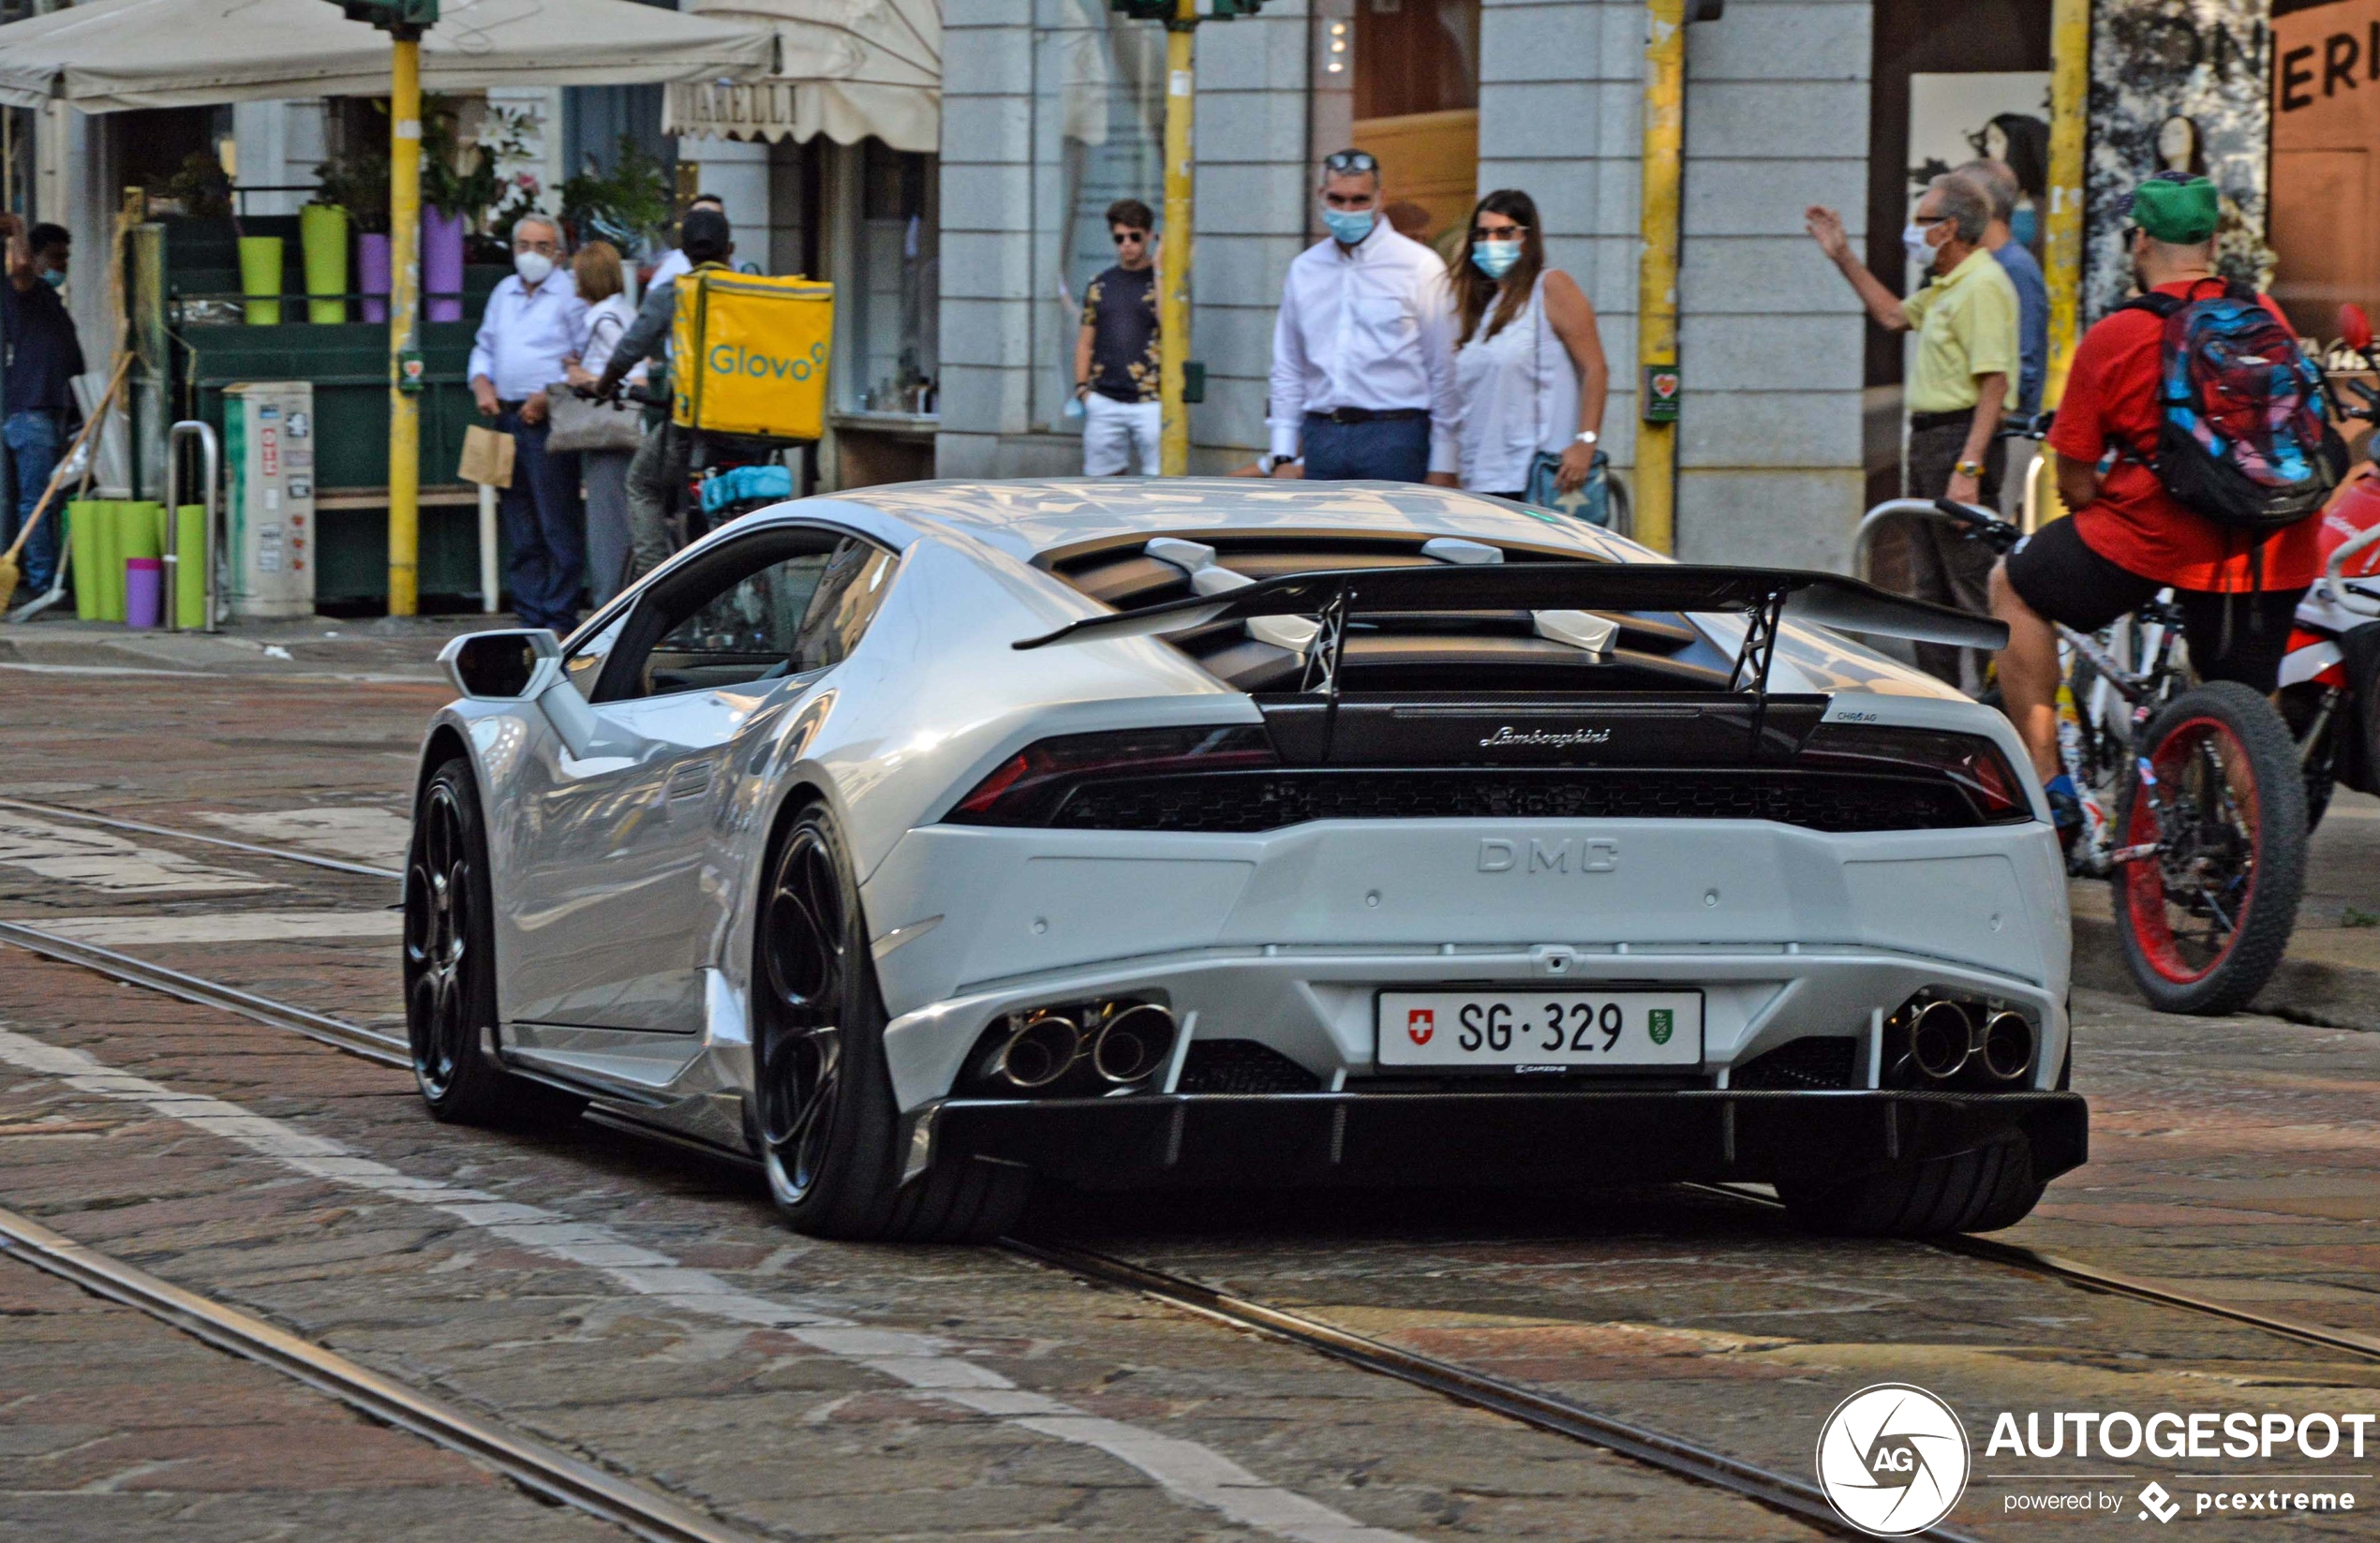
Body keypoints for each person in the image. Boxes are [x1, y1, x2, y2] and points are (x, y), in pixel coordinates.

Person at [1991, 173, 2323, 831]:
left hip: (2153, 540)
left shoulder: (2118, 333)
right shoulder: (2266, 316)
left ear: (2139, 240)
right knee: (2245, 703)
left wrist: (2093, 497)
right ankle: (2264, 866)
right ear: (2214, 242)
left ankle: (2049, 783)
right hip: (2275, 543)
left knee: (2014, 586)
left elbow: (2076, 473)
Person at [1806, 174, 2019, 686]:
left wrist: (1969, 467)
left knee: (1971, 588)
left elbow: (1994, 382)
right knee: (1930, 591)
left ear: (1948, 229)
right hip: (1929, 443)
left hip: (1959, 441)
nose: (1911, 232)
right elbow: (1892, 314)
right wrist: (1842, 255)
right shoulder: (1947, 285)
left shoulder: (1983, 285)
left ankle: (2000, 703)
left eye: (1920, 221)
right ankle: (1943, 702)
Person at [1264, 149, 1460, 485]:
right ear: (1321, 197)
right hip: (1322, 436)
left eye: (1359, 200)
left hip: (1396, 436)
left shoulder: (1419, 266)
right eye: (1337, 199)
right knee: (1320, 537)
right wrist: (1282, 454)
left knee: (1395, 537)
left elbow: (1445, 369)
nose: (1348, 210)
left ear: (1380, 199)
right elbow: (1288, 367)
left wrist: (1444, 463)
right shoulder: (1304, 269)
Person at [593, 207, 734, 582]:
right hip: (754, 430)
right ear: (729, 250)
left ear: (684, 254)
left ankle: (660, 587)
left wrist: (603, 384)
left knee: (642, 485)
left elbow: (630, 348)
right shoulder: (757, 294)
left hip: (693, 427)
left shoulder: (676, 293)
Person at [1445, 189, 1610, 505]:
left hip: (1538, 476)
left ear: (1527, 237)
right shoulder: (1481, 307)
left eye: (1505, 232)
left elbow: (1595, 368)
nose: (1491, 242)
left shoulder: (1549, 287)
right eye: (1482, 233)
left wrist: (1585, 442)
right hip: (1480, 478)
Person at [469, 213, 588, 632]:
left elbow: (585, 357)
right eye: (524, 246)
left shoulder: (571, 293)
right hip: (505, 417)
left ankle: (558, 616)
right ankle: (529, 614)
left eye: (542, 247)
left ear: (558, 253)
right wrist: (481, 382)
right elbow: (484, 346)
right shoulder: (503, 292)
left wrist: (548, 396)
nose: (532, 255)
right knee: (519, 522)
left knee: (556, 522)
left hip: (549, 421)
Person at [0, 217, 81, 602]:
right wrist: (16, 227)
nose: (63, 264)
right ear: (37, 258)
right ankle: (43, 581)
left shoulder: (49, 300)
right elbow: (19, 268)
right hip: (32, 412)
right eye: (56, 256)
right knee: (37, 502)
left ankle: (47, 577)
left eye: (66, 256)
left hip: (54, 412)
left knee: (46, 502)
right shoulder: (25, 292)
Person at [566, 240, 642, 606]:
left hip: (608, 435)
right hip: (626, 433)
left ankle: (609, 608)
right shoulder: (625, 311)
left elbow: (628, 377)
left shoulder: (601, 318)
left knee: (607, 527)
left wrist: (578, 375)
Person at [1954, 159, 2048, 417]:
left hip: (2001, 424)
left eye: (1957, 200)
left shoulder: (2015, 267)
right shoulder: (1979, 264)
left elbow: (2026, 356)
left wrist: (2004, 418)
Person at [1073, 199, 1161, 477]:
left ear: (1148, 235)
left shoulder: (1163, 281)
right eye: (1119, 237)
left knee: (1161, 481)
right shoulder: (1101, 283)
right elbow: (1086, 340)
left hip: (1153, 400)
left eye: (1134, 236)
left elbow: (1169, 322)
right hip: (1104, 398)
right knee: (1101, 485)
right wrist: (1082, 390)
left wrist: (1160, 267)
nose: (1127, 243)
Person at [647, 193, 725, 292]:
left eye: (714, 218)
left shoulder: (741, 269)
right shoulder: (673, 263)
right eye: (699, 217)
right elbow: (653, 298)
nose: (706, 223)